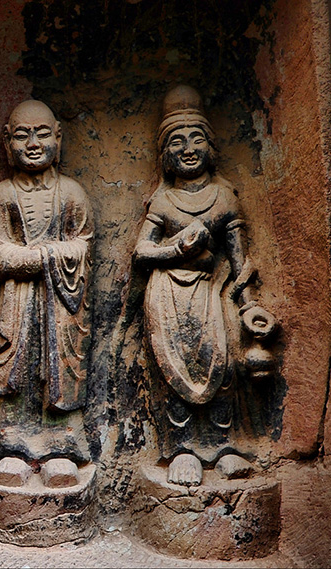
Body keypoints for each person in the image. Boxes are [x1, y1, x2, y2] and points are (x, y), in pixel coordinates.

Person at [134, 85, 276, 486]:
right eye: (177, 142)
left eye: (197, 138)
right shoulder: (162, 202)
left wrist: (249, 307)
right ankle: (181, 448)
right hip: (168, 296)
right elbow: (141, 253)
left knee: (225, 360)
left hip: (214, 293)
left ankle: (224, 444)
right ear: (165, 154)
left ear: (210, 145)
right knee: (173, 367)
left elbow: (240, 259)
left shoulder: (223, 197)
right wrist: (176, 248)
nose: (188, 148)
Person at [0, 100, 93, 485]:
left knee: (60, 366)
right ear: (8, 142)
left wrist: (39, 256)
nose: (33, 143)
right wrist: (45, 257)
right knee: (16, 364)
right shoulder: (4, 194)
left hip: (62, 302)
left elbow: (83, 245)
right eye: (23, 135)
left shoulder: (72, 193)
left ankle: (62, 448)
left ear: (58, 138)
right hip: (15, 302)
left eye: (42, 133)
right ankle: (11, 447)